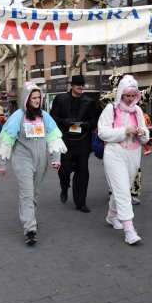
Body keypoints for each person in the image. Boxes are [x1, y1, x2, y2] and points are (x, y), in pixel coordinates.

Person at [0, 82, 67, 245]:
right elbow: (6, 141)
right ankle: (30, 229)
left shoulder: (44, 116)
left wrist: (56, 158)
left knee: (34, 193)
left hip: (41, 161)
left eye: (38, 97)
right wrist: (1, 163)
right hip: (22, 159)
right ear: (26, 99)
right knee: (27, 193)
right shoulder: (17, 117)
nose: (37, 100)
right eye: (33, 98)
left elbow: (53, 137)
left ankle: (30, 218)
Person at [98, 75, 150, 245]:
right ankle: (129, 229)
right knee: (122, 191)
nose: (129, 99)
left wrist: (143, 133)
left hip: (133, 154)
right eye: (127, 95)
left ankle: (111, 215)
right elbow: (102, 132)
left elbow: (145, 132)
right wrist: (123, 131)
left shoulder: (138, 111)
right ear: (120, 93)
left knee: (123, 189)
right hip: (114, 154)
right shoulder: (110, 109)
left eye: (132, 96)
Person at [50, 74, 98, 213]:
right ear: (72, 86)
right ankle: (64, 187)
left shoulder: (89, 102)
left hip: (82, 141)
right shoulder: (61, 99)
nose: (81, 88)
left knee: (82, 171)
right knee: (64, 170)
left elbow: (94, 121)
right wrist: (65, 122)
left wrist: (85, 125)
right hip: (65, 140)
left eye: (82, 85)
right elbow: (53, 116)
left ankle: (80, 202)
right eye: (78, 85)